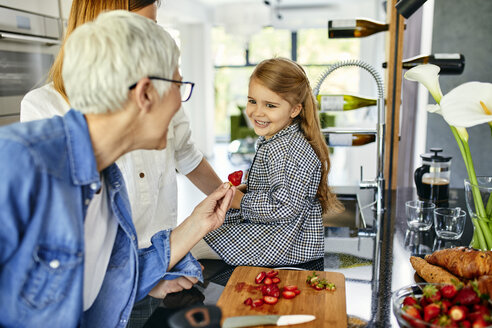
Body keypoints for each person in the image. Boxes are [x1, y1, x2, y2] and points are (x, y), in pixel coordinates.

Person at [0, 11, 235, 327]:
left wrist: (196, 224)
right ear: (146, 94)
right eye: (179, 85)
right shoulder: (18, 160)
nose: (181, 102)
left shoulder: (109, 182)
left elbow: (97, 281)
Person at [202, 57, 342, 266]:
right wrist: (248, 189)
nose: (257, 112)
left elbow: (284, 206)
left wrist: (240, 201)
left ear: (294, 110)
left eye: (270, 105)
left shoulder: (284, 150)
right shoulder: (281, 140)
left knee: (195, 242)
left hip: (279, 243)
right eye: (252, 101)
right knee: (199, 236)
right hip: (282, 237)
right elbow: (284, 188)